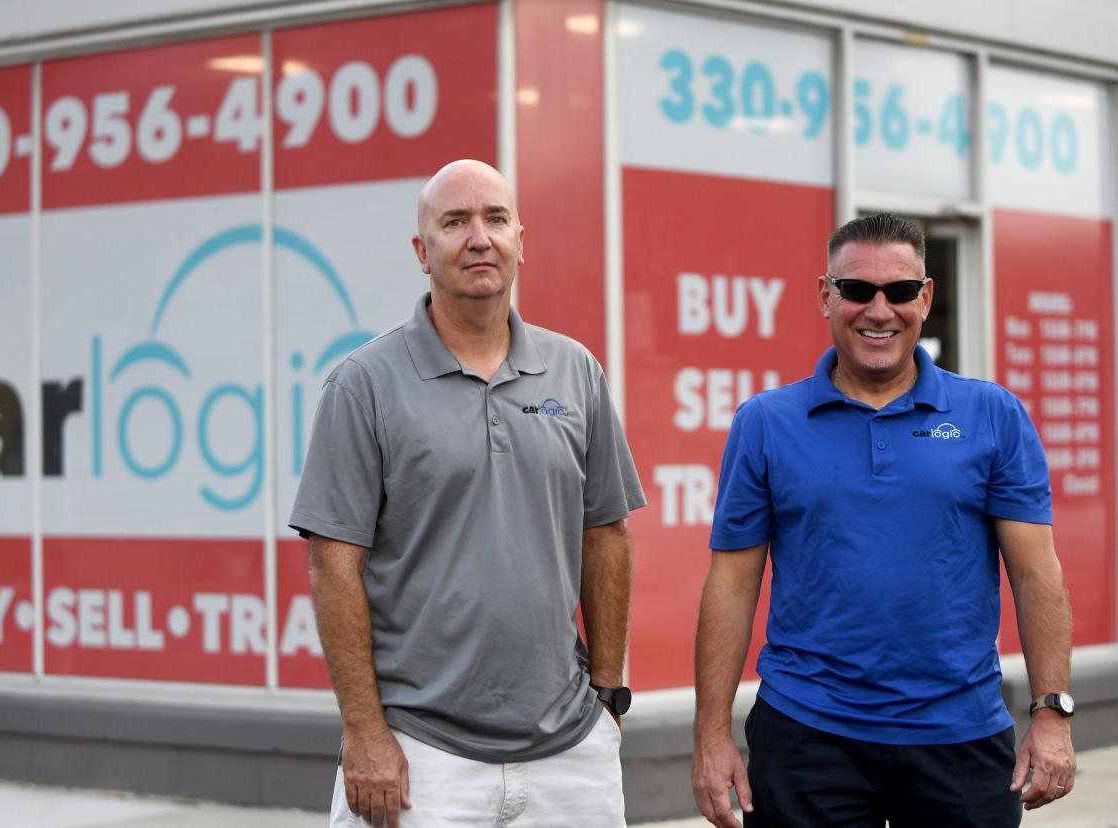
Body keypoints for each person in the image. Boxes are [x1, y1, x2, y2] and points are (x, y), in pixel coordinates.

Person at [290, 159, 645, 827]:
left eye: (495, 219)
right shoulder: (364, 384)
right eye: (455, 222)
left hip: (568, 752)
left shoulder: (576, 372)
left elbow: (606, 535)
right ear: (423, 253)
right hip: (420, 755)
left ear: (520, 240)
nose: (479, 238)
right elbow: (333, 567)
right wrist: (365, 734)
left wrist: (607, 695)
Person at [692, 213, 1076, 827]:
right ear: (825, 295)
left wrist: (1051, 713)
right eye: (856, 290)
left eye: (899, 291)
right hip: (807, 735)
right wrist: (710, 737)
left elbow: (1036, 575)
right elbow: (732, 586)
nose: (879, 310)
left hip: (961, 734)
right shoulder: (765, 422)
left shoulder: (993, 415)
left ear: (925, 298)